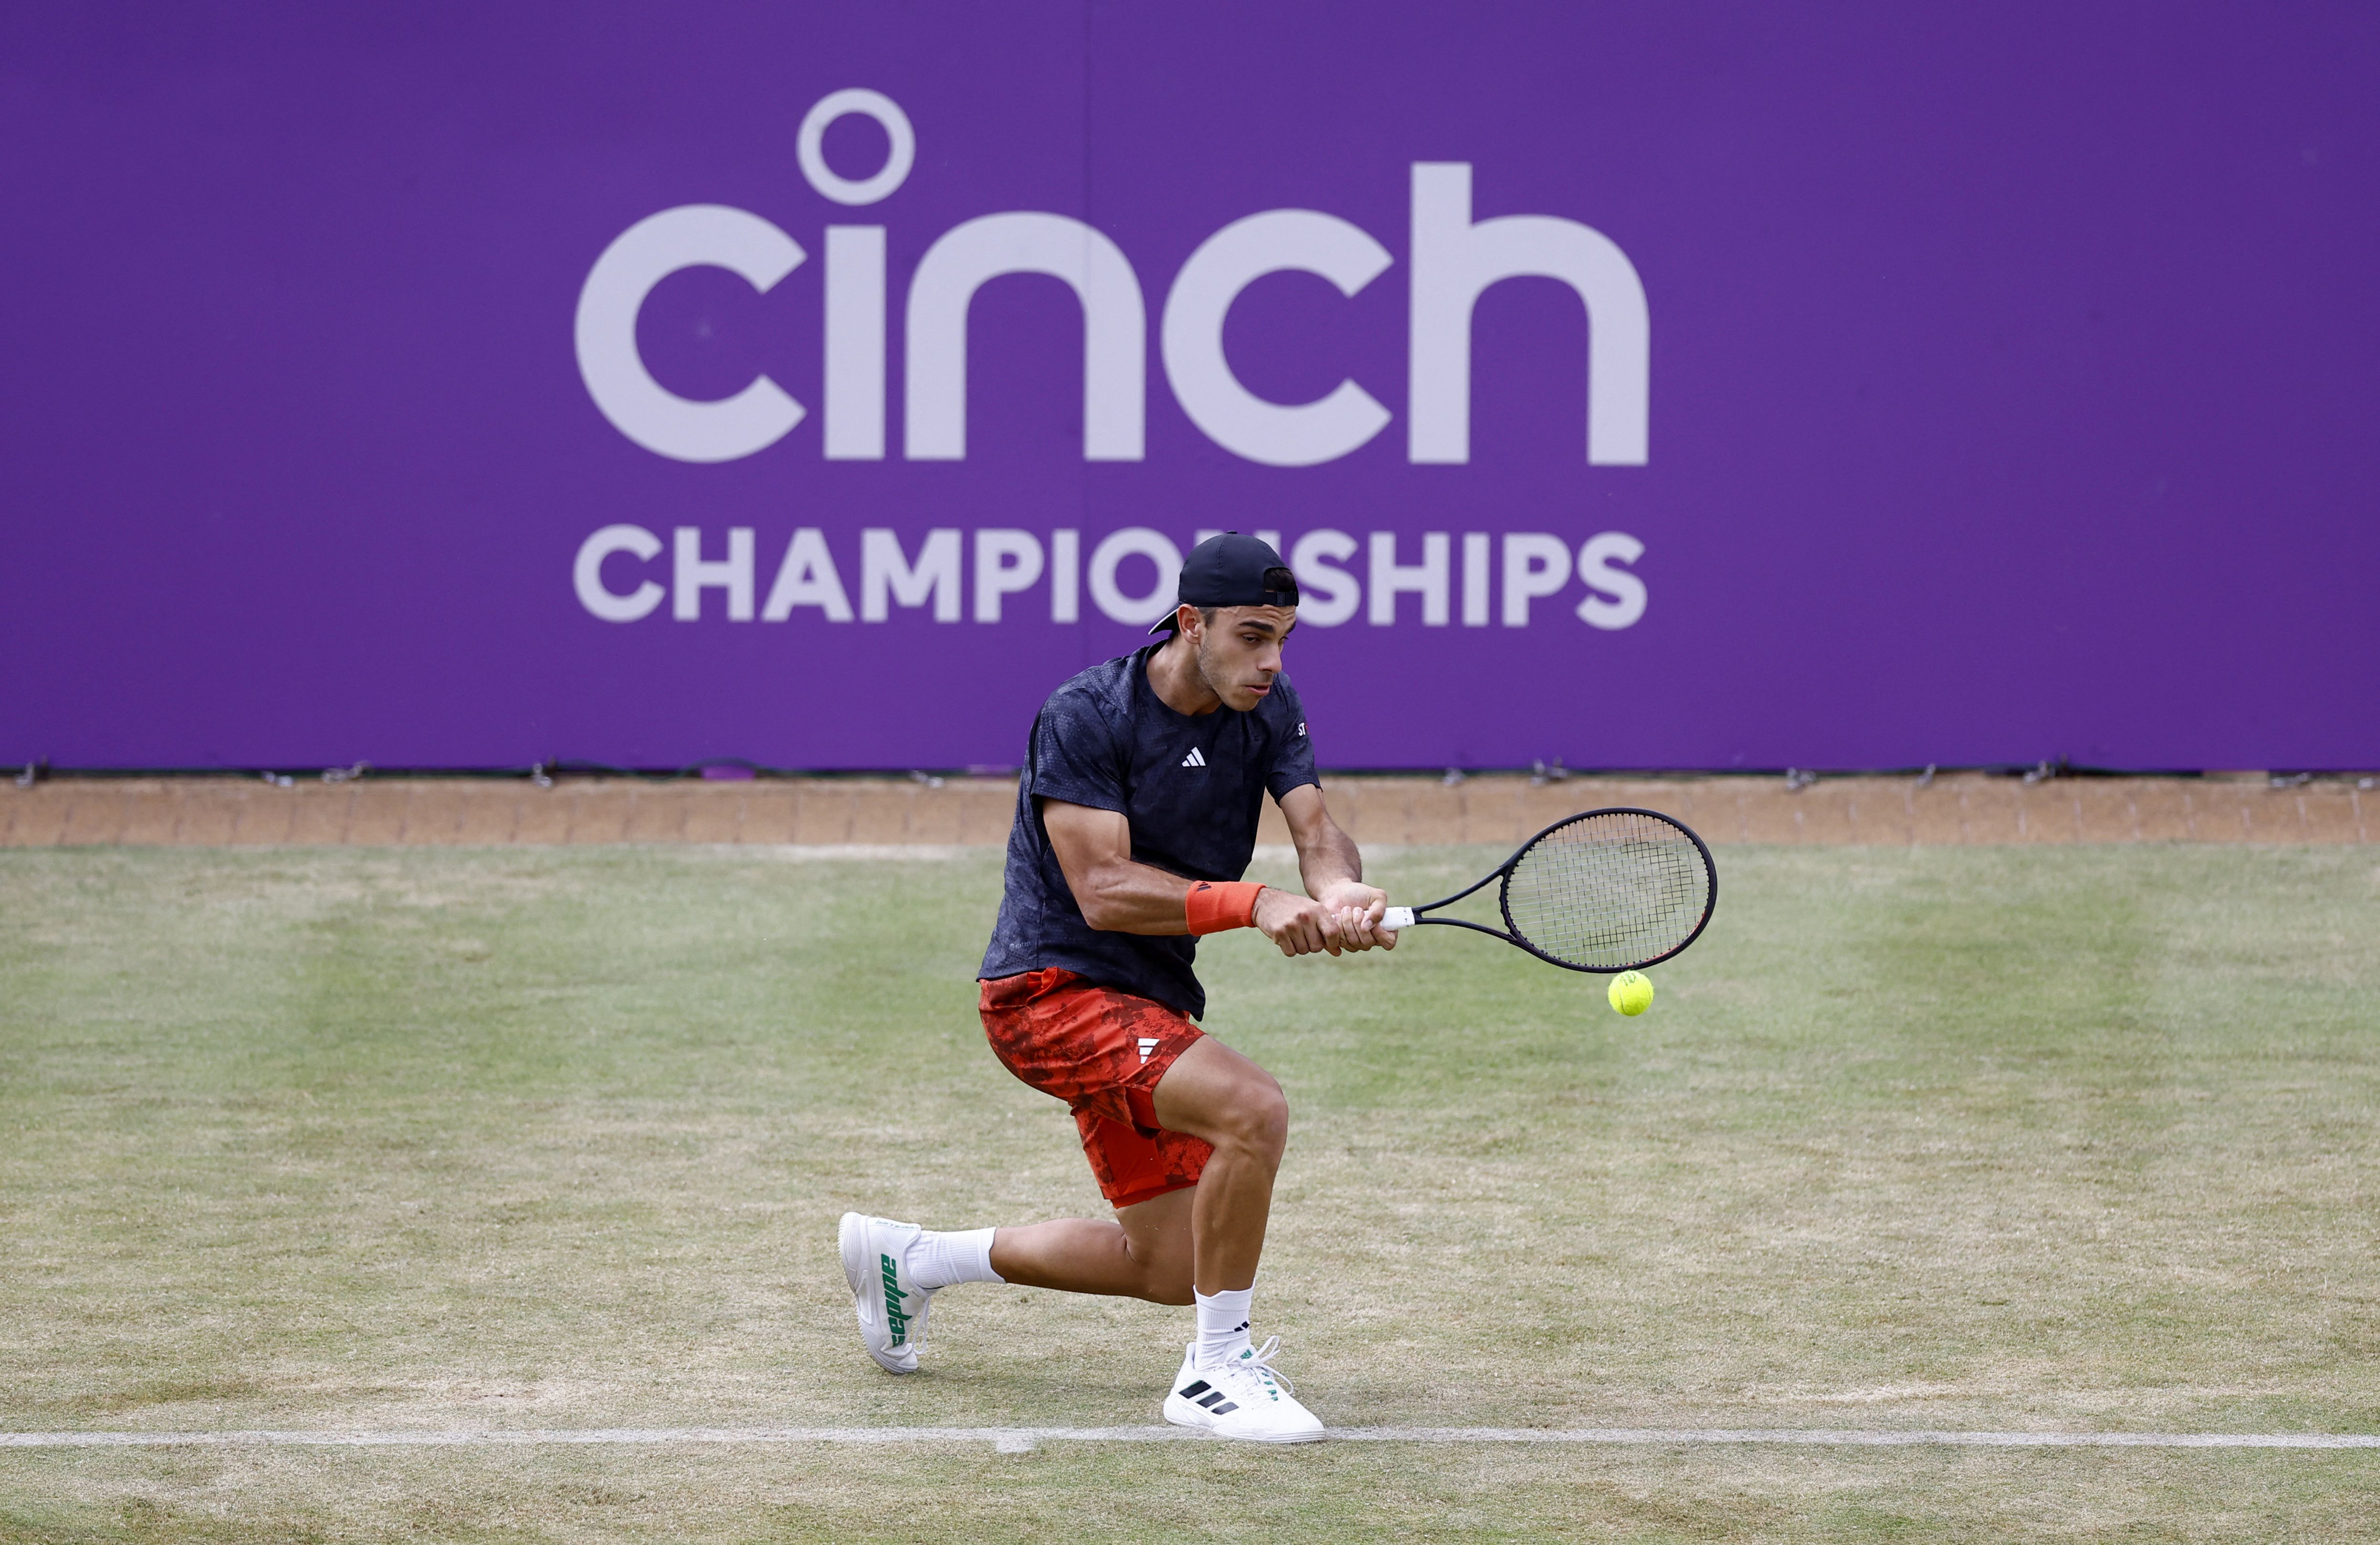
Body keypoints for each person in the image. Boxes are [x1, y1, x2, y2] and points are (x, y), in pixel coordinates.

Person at [839, 532, 1394, 1444]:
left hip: (1144, 1007)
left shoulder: (1267, 705)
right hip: (1046, 993)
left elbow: (1316, 827)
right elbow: (1102, 888)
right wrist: (1256, 903)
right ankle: (1216, 1371)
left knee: (1175, 1262)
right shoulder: (1088, 712)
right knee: (1253, 1109)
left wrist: (1336, 889)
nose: (1272, 661)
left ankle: (912, 1260)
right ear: (1190, 624)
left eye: (1285, 639)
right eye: (1253, 637)